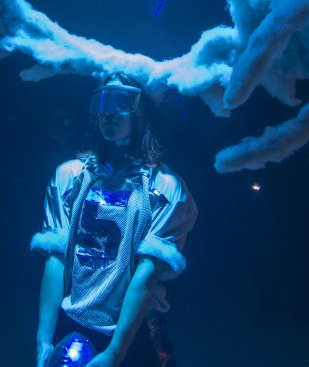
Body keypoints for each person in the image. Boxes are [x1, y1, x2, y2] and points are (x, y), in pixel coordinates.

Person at [31, 72, 198, 367]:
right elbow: (56, 259)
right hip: (73, 321)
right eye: (103, 100)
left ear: (140, 111)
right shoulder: (69, 176)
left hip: (133, 331)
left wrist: (114, 353)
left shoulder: (165, 187)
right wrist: (43, 340)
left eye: (121, 101)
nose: (109, 113)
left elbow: (146, 275)